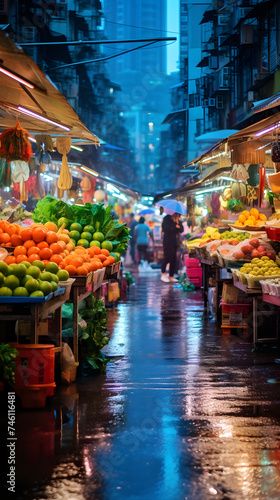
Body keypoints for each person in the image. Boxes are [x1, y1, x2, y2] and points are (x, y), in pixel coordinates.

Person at [161, 212, 184, 283]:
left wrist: (177, 224)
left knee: (174, 259)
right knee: (167, 257)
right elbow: (167, 229)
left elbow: (181, 229)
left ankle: (171, 276)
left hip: (175, 242)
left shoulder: (178, 220)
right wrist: (175, 226)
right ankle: (163, 274)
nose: (178, 215)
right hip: (168, 241)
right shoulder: (167, 219)